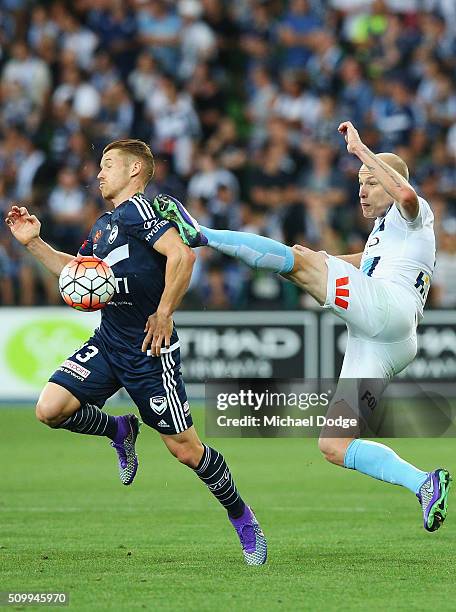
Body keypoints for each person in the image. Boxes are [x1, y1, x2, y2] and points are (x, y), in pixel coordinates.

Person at [153, 122, 451, 533]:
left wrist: (361, 149)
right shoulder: (388, 234)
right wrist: (312, 260)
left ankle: (199, 233)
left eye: (370, 182)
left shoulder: (412, 213)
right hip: (388, 341)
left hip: (387, 309)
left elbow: (406, 194)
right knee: (334, 443)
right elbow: (365, 261)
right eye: (359, 183)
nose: (362, 190)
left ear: (390, 181)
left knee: (298, 260)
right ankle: (425, 483)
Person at [4, 139, 267, 565]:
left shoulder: (143, 210)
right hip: (110, 340)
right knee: (49, 409)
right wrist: (33, 243)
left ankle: (243, 517)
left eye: (108, 165)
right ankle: (119, 431)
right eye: (99, 165)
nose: (99, 172)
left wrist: (164, 313)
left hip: (150, 349)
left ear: (135, 172)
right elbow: (78, 273)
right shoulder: (105, 224)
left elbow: (182, 255)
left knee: (185, 450)